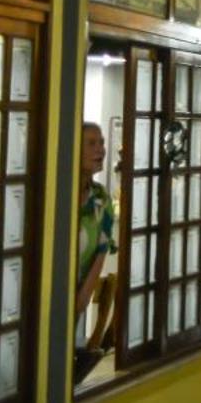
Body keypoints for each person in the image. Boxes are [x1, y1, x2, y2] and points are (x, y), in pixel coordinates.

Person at [74, 121, 117, 381]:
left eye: (101, 142)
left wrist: (81, 299)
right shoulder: (56, 191)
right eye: (91, 143)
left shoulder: (101, 199)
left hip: (77, 294)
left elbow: (101, 252)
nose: (100, 149)